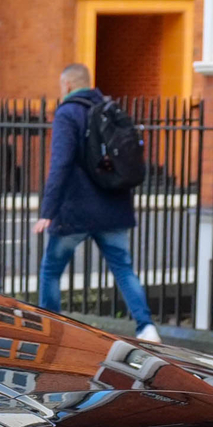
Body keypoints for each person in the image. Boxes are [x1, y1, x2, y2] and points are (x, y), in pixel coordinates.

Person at [33, 63, 156, 341]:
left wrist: (48, 210)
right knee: (124, 269)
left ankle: (49, 329)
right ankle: (146, 327)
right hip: (113, 208)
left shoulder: (68, 113)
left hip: (75, 211)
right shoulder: (110, 111)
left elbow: (61, 163)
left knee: (51, 269)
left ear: (66, 85)